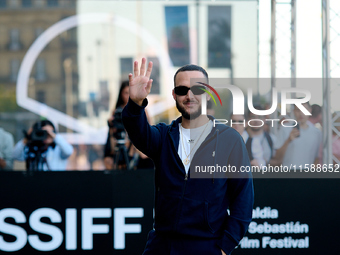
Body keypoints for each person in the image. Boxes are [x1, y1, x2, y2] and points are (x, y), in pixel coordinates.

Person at [122, 58, 254, 255]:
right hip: (162, 246)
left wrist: (225, 247)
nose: (190, 95)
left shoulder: (230, 140)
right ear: (174, 95)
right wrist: (135, 103)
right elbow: (138, 132)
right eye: (183, 90)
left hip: (207, 247)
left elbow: (243, 199)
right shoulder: (163, 136)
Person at [104, 81, 153, 170]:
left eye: (131, 93)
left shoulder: (142, 110)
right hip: (121, 147)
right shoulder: (117, 112)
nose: (128, 96)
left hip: (137, 149)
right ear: (121, 94)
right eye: (126, 93)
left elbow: (150, 131)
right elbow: (110, 146)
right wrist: (111, 126)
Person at [274, 102, 322, 168]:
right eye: (298, 110)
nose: (301, 113)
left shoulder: (317, 133)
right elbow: (277, 157)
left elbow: (317, 158)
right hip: (288, 174)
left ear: (310, 110)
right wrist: (288, 140)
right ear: (294, 111)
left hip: (307, 175)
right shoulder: (285, 129)